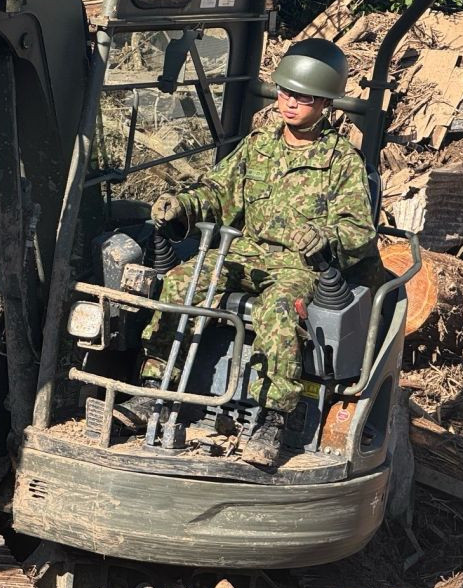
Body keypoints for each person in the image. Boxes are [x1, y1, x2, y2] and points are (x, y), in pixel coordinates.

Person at [141, 38, 377, 464]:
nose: (290, 104)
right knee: (179, 282)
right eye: (286, 93)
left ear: (325, 103)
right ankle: (156, 388)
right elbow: (217, 191)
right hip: (244, 251)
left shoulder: (342, 162)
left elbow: (360, 230)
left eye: (303, 98)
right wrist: (183, 205)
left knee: (279, 309)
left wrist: (327, 238)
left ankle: (273, 416)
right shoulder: (257, 147)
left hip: (298, 265)